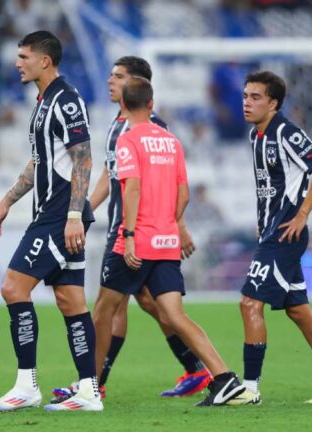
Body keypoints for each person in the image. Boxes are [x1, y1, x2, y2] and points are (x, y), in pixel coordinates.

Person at [52, 56, 210, 401]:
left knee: (113, 305)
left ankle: (92, 383)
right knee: (142, 304)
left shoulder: (152, 129)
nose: (111, 81)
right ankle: (197, 369)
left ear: (137, 86)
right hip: (125, 225)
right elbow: (111, 175)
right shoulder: (116, 125)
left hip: (135, 230)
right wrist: (81, 210)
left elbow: (165, 183)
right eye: (110, 75)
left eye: (119, 77)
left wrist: (177, 224)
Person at [88, 76, 249, 407]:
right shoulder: (172, 141)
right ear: (151, 104)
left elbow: (131, 189)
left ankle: (88, 387)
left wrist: (130, 235)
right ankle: (224, 377)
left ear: (122, 105)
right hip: (166, 242)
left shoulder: (127, 140)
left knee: (103, 310)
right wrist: (171, 224)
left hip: (136, 241)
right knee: (175, 316)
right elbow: (184, 193)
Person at [0, 31, 100, 412]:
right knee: (70, 300)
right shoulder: (43, 103)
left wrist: (72, 216)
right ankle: (88, 391)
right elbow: (40, 163)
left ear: (44, 60)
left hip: (58, 214)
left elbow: (83, 158)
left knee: (13, 287)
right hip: (54, 212)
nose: (18, 63)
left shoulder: (65, 100)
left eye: (23, 56)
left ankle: (26, 385)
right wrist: (6, 201)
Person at [237, 71, 312, 405]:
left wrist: (302, 214)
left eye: (256, 97)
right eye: (246, 95)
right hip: (272, 232)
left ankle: (250, 388)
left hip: (285, 232)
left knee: (249, 303)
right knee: (299, 310)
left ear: (273, 103)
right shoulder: (255, 136)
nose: (247, 102)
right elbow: (270, 187)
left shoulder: (285, 131)